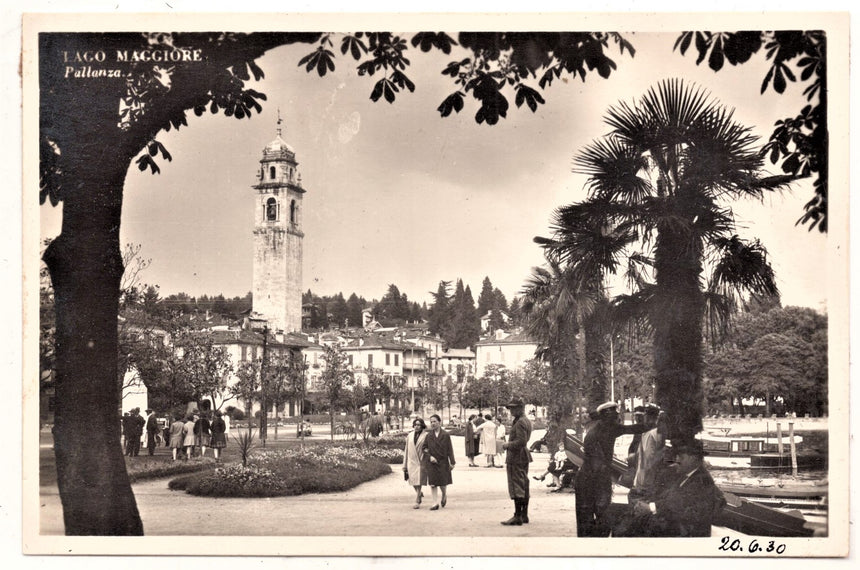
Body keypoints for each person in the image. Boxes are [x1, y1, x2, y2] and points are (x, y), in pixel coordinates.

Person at [613, 440, 726, 537]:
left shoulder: (702, 481)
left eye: (681, 457)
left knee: (628, 527)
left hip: (687, 534)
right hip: (677, 526)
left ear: (694, 458)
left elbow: (679, 505)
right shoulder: (687, 475)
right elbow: (670, 498)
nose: (676, 459)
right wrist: (647, 505)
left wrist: (650, 507)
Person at [574, 401, 650, 537]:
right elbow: (596, 463)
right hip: (589, 479)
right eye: (614, 415)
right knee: (589, 519)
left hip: (596, 477)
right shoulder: (597, 433)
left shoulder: (610, 428)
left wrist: (652, 425)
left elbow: (633, 429)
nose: (617, 418)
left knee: (600, 516)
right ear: (606, 416)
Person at [500, 397, 533, 525]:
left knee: (517, 486)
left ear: (521, 408)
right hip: (523, 456)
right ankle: (524, 515)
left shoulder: (520, 422)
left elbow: (521, 441)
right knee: (524, 484)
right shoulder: (525, 420)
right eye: (510, 408)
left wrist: (507, 445)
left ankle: (517, 516)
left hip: (516, 457)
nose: (511, 410)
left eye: (514, 408)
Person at [629, 407, 668, 503]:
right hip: (645, 478)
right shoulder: (650, 433)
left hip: (646, 481)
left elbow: (649, 459)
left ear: (648, 417)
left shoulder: (651, 434)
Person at [422, 414, 455, 510]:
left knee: (442, 482)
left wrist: (452, 462)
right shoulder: (429, 436)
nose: (432, 423)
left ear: (439, 422)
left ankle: (444, 494)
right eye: (431, 422)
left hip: (442, 461)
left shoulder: (445, 435)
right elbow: (424, 448)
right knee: (433, 483)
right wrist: (430, 456)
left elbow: (450, 449)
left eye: (434, 421)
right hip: (432, 463)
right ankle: (434, 503)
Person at [402, 417, 428, 508]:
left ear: (422, 426)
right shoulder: (410, 435)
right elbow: (406, 450)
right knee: (412, 480)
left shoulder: (426, 435)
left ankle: (417, 500)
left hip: (421, 461)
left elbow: (428, 448)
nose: (416, 427)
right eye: (415, 425)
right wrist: (404, 464)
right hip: (411, 461)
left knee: (419, 480)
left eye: (419, 425)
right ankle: (419, 493)